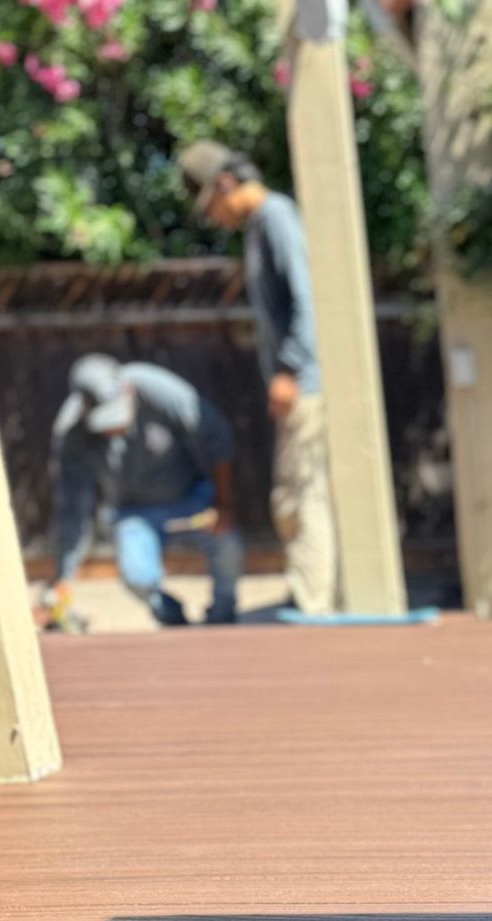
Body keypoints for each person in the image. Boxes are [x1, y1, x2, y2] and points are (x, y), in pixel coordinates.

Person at [178, 143, 339, 616]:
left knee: (299, 493)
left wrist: (289, 370)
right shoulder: (261, 224)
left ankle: (313, 603)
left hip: (303, 382)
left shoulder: (275, 217)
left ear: (225, 184)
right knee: (292, 495)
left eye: (212, 207)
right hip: (296, 381)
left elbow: (303, 298)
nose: (217, 218)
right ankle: (309, 594)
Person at [45, 355, 242, 629]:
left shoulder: (155, 388)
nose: (114, 428)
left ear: (127, 390)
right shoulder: (71, 432)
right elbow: (73, 509)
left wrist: (224, 504)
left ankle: (224, 612)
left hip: (192, 498)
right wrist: (62, 579)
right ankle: (170, 614)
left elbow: (216, 438)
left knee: (227, 543)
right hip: (134, 512)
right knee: (136, 576)